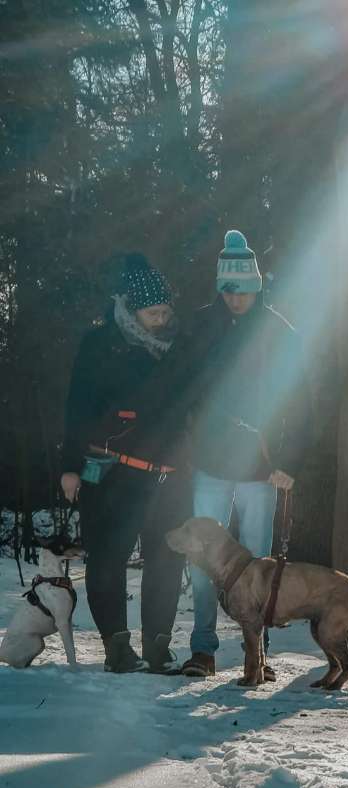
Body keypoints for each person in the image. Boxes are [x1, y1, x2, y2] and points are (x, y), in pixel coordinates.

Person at [179, 230, 311, 678]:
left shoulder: (280, 331)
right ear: (220, 289)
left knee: (258, 565)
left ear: (259, 287)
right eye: (230, 292)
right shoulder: (199, 328)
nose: (238, 300)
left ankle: (258, 657)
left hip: (261, 469)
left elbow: (301, 400)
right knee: (202, 558)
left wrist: (288, 460)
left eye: (247, 291)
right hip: (211, 465)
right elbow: (183, 391)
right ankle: (203, 650)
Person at [60, 254, 190, 673]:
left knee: (167, 557)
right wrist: (69, 465)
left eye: (166, 311)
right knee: (108, 555)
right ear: (132, 311)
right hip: (111, 469)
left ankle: (157, 646)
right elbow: (77, 407)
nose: (162, 319)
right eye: (154, 313)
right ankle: (116, 646)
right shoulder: (100, 344)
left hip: (168, 474)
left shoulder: (176, 349)